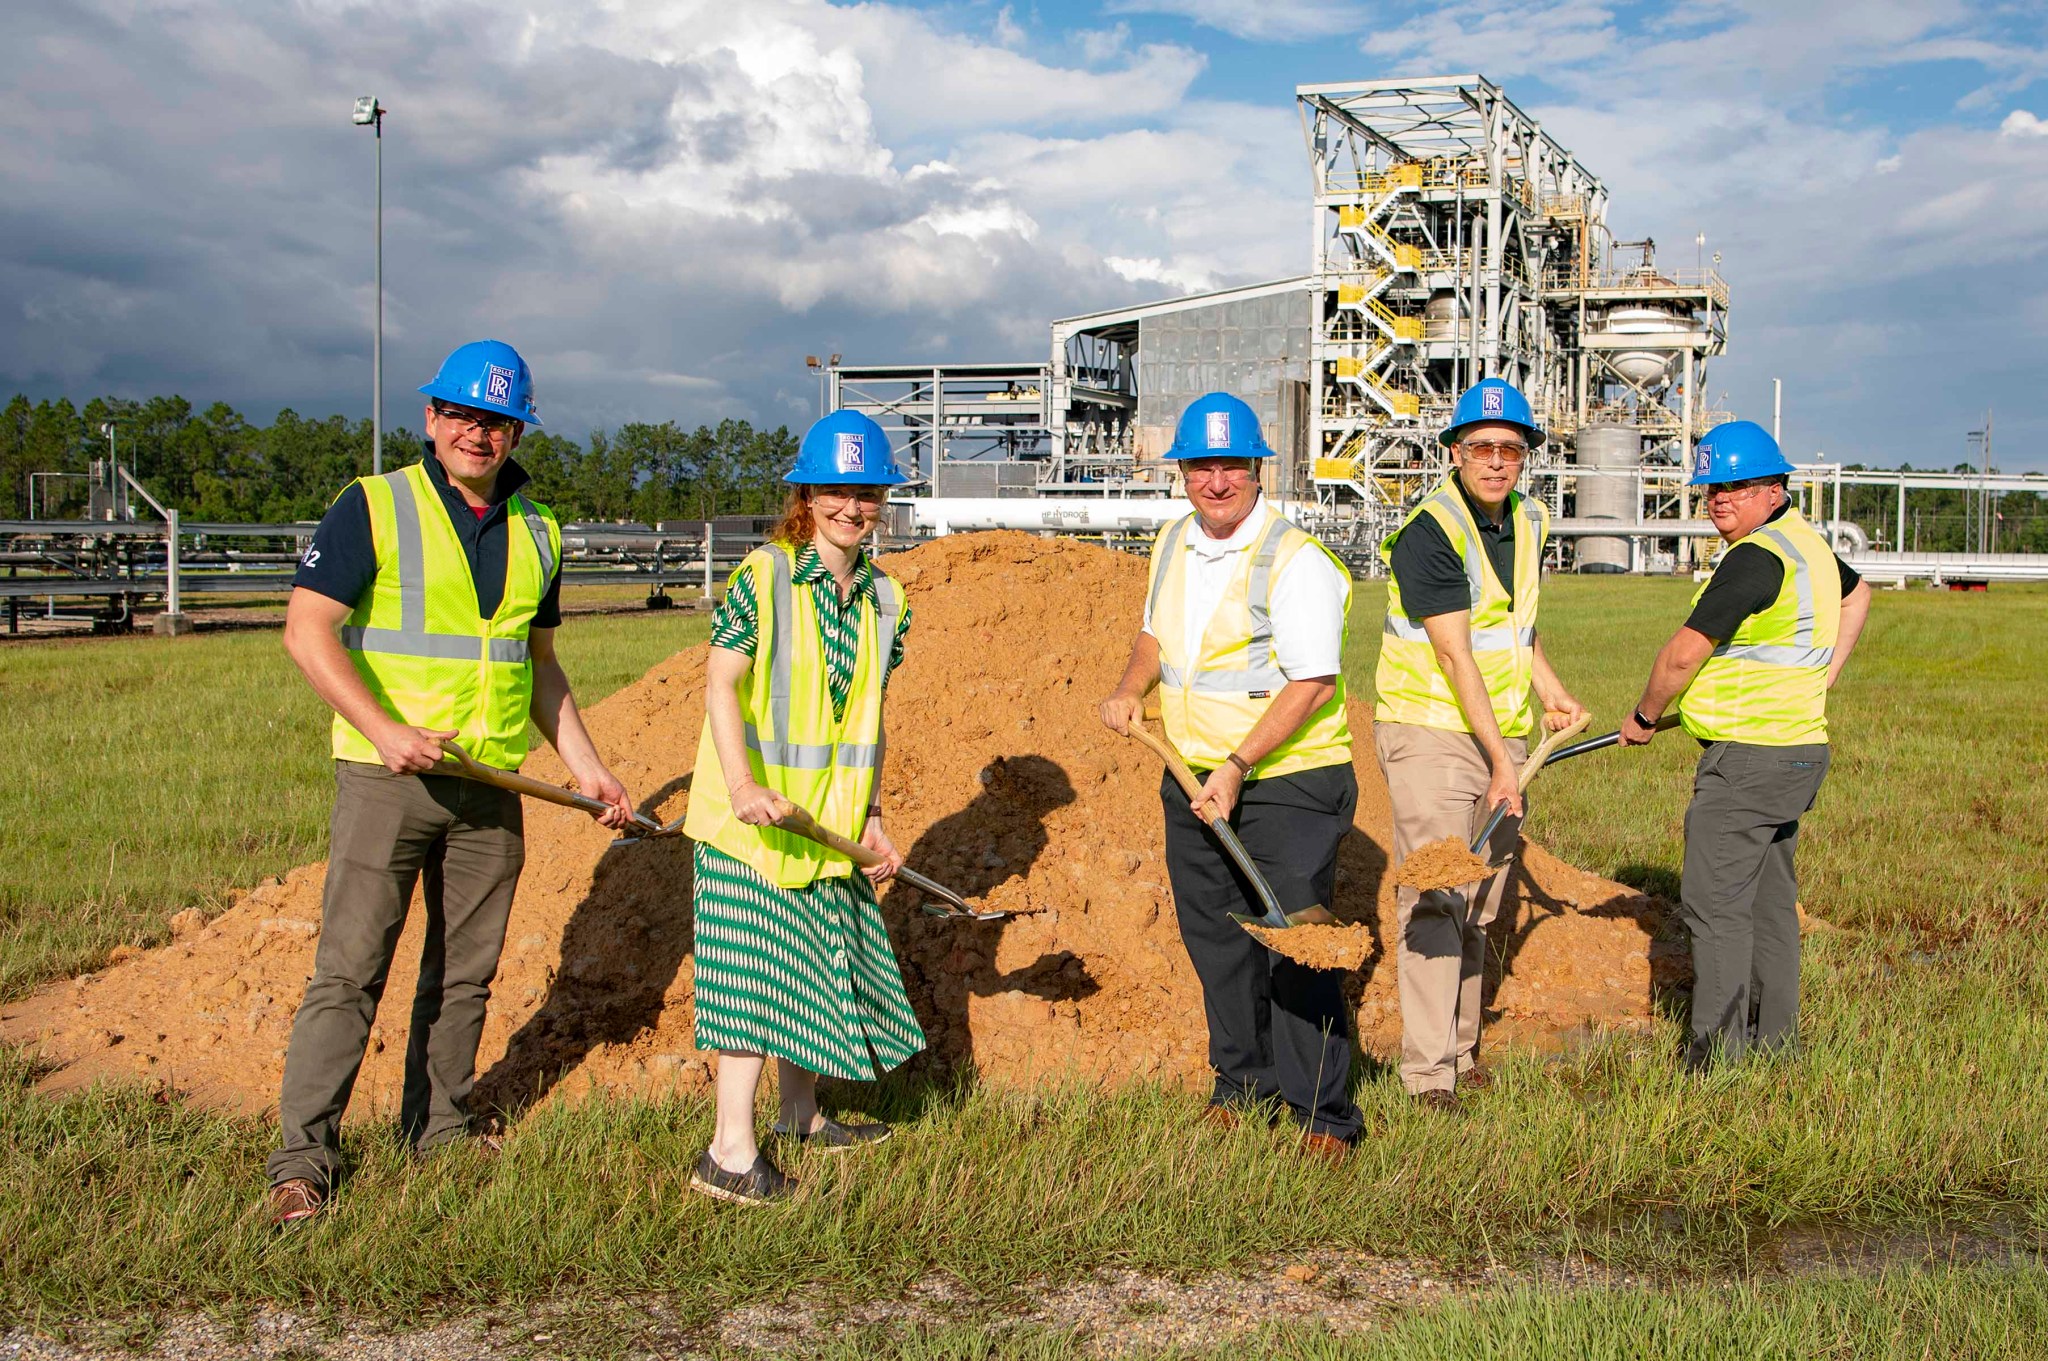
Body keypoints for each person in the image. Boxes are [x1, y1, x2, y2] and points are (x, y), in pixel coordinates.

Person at [267, 340, 634, 1225]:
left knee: (463, 976)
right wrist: (384, 729)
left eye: (497, 420)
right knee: (349, 971)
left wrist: (586, 766)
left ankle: (436, 1133)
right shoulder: (375, 506)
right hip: (388, 779)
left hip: (491, 787)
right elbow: (306, 631)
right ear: (432, 418)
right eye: (462, 415)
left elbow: (538, 664)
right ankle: (302, 1162)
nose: (478, 432)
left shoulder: (540, 531)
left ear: (516, 431)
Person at [1098, 392, 1363, 1158]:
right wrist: (1129, 689)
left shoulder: (1297, 561)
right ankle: (1243, 1086)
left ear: (1257, 471)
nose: (1216, 482)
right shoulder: (1175, 542)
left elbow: (1310, 681)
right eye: (1201, 466)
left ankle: (1324, 1114)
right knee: (1217, 939)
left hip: (1288, 781)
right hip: (1192, 774)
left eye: (1232, 467)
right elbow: (1155, 634)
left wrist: (1241, 767)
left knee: (1293, 941)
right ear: (1182, 471)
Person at [683, 409, 924, 1206]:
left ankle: (800, 1115)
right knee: (754, 977)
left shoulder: (888, 600)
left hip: (825, 822)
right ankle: (727, 1151)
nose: (852, 507)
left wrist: (873, 814)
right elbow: (721, 681)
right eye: (836, 491)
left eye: (867, 492)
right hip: (751, 821)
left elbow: (870, 716)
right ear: (806, 494)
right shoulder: (765, 574)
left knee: (812, 967)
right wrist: (744, 784)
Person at [1618, 420, 1870, 1069]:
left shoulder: (1756, 557)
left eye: (1737, 484)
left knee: (1715, 909)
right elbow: (1858, 594)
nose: (1720, 498)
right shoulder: (1806, 545)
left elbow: (1681, 656)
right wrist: (1824, 672)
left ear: (1775, 487)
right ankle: (1775, 1043)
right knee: (1769, 904)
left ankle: (1717, 1058)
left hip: (1747, 759)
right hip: (1796, 752)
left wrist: (1645, 716)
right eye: (1710, 487)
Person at [1373, 378, 1586, 1112]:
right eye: (1482, 448)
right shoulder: (1430, 532)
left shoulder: (1529, 521)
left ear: (1525, 456)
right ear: (1455, 452)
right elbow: (1456, 654)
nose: (1496, 461)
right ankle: (1429, 1075)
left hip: (1501, 731)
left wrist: (1550, 690)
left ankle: (1461, 1052)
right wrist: (1502, 764)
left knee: (1481, 900)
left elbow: (1513, 628)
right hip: (1431, 729)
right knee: (1437, 892)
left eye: (1510, 449)